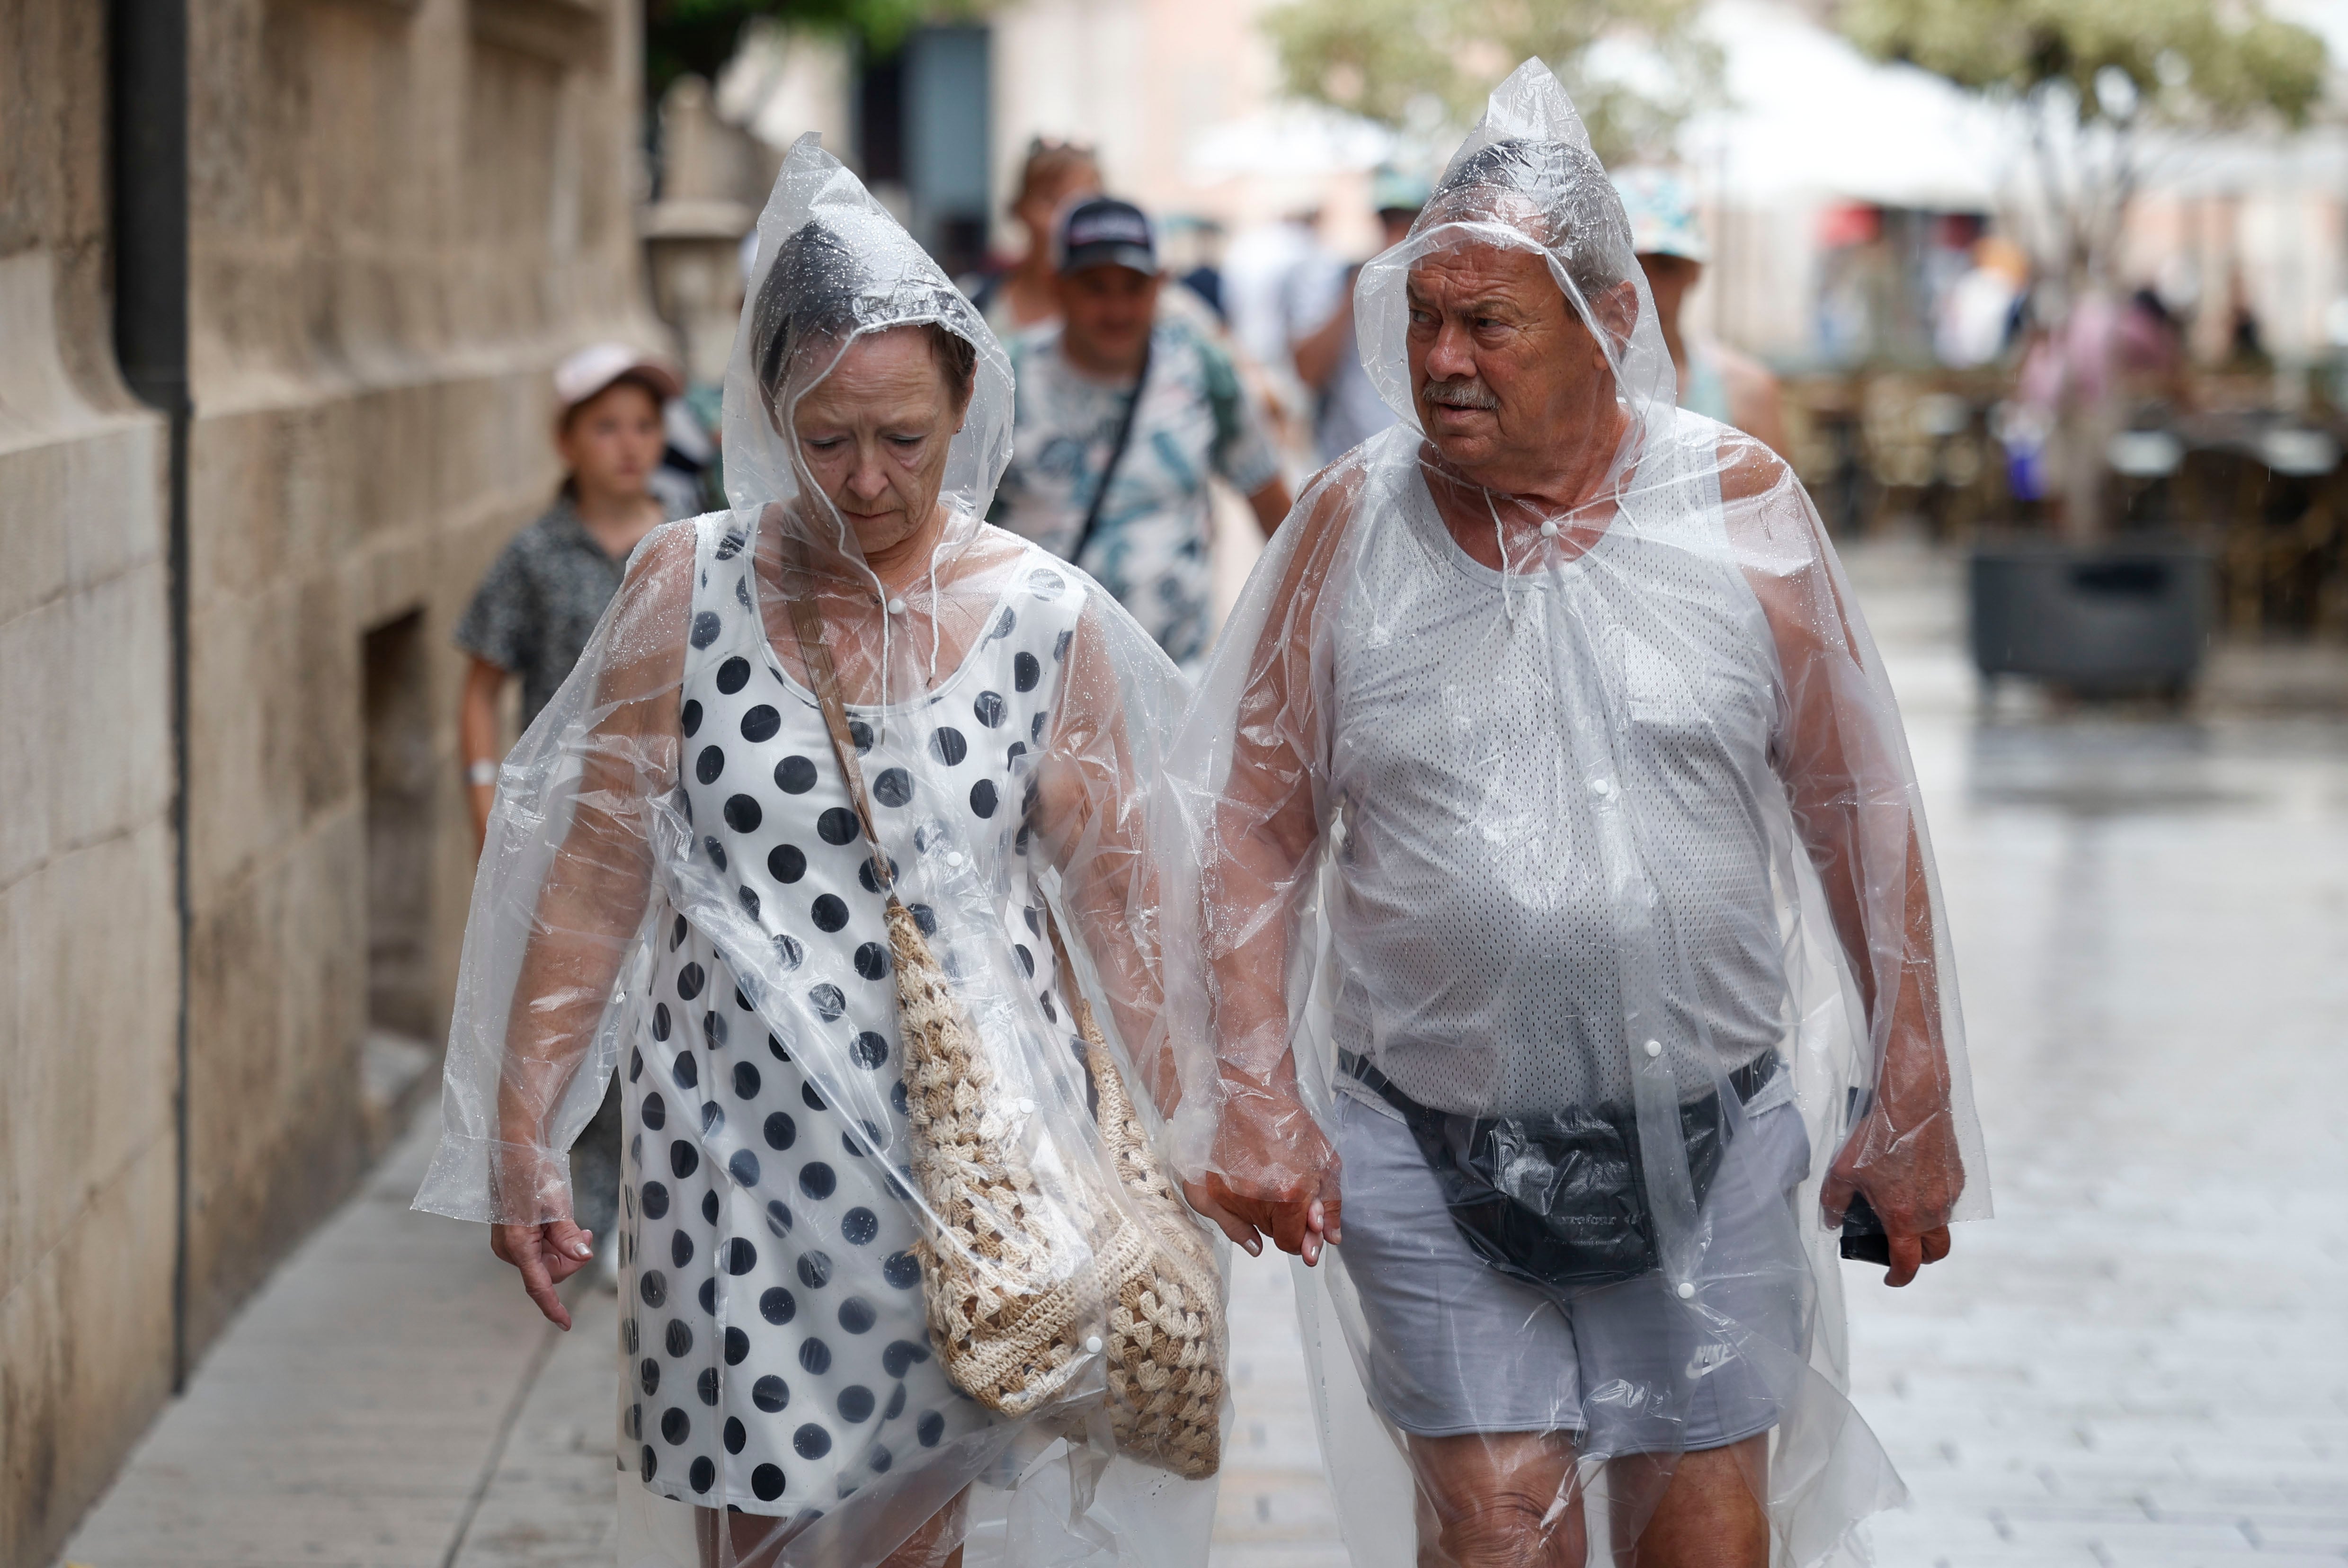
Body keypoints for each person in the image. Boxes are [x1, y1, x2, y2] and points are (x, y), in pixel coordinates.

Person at [1161, 63, 1986, 1568]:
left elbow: (1860, 807)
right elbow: (1249, 821)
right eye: (1423, 317)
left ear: (1608, 325)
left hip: (1715, 1132)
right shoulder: (1351, 523)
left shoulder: (1737, 506)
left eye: (1490, 323)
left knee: (1704, 1542)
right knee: (1495, 1533)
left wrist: (1912, 1083)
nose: (1442, 361)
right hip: (1425, 1133)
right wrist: (1252, 1088)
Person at [415, 136, 1217, 1568]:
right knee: (761, 1533)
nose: (865, 478)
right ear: (771, 410)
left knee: (923, 1541)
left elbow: (1121, 901)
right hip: (735, 1154)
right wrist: (528, 1125)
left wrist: (1204, 1136)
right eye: (826, 436)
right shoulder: (685, 582)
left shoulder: (1045, 617)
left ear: (965, 404)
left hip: (966, 1157)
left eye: (903, 438)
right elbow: (599, 866)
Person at [454, 341, 685, 1275]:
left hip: (663, 821)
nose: (628, 447)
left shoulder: (687, 541)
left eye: (643, 425)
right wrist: (483, 798)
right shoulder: (535, 555)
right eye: (605, 427)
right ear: (566, 440)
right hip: (562, 823)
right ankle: (569, 1206)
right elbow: (480, 683)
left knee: (650, 1006)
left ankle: (648, 1202)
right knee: (563, 1004)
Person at [991, 195, 1292, 670]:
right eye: (1095, 287)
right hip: (1028, 682)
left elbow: (1272, 502)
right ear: (1057, 285)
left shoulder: (1200, 367)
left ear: (1160, 286)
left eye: (1133, 287)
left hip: (1171, 686)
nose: (1116, 309)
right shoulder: (1002, 378)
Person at [1611, 168, 1792, 461]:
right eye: (1629, 264)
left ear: (1694, 271)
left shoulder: (1746, 395)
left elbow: (1778, 505)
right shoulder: (1569, 393)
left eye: (1664, 265)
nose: (1645, 286)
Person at [1290, 166, 1430, 465]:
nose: (1398, 235)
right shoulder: (1340, 281)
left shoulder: (1440, 291)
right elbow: (1306, 370)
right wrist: (1359, 291)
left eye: (1408, 222)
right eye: (1389, 222)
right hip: (1351, 468)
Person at [966, 136, 1103, 341]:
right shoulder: (970, 303)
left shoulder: (1141, 311)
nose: (1065, 219)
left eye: (1082, 204)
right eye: (1051, 201)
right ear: (1020, 208)